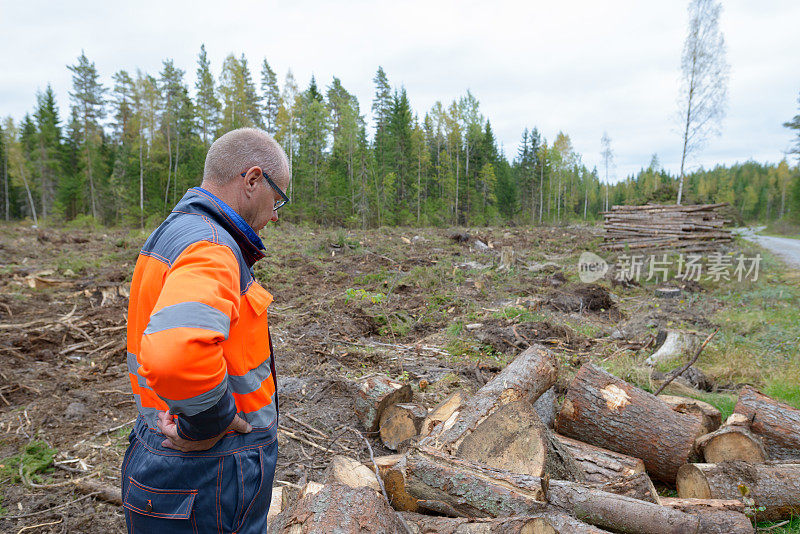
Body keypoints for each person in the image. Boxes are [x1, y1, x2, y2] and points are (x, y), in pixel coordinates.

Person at [122, 128, 290, 533]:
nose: (276, 214)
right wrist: (208, 423)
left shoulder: (175, 232)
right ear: (252, 180)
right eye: (278, 197)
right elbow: (175, 353)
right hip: (208, 476)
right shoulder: (211, 245)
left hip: (167, 461)